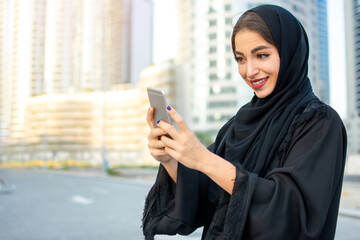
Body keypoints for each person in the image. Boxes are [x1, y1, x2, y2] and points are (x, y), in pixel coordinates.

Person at [142, 4, 347, 240]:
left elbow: (293, 215)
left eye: (262, 55)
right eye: (241, 59)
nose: (250, 71)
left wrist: (205, 159)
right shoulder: (237, 125)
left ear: (290, 52)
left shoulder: (319, 122)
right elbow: (206, 196)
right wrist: (170, 158)